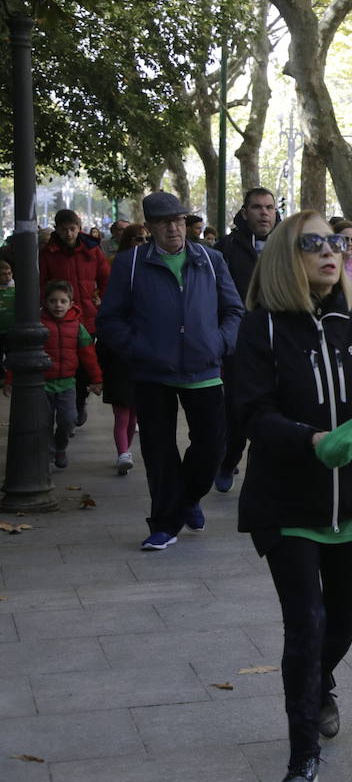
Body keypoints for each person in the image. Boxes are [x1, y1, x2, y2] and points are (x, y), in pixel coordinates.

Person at [235, 211, 352, 782]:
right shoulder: (263, 328)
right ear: (288, 256)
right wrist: (309, 439)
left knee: (346, 621)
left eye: (338, 243)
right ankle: (301, 755)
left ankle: (317, 683)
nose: (331, 253)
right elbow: (251, 412)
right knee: (305, 626)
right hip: (288, 504)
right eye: (314, 244)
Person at [97, 192, 244, 551]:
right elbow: (110, 319)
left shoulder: (211, 260)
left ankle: (188, 498)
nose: (174, 228)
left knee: (211, 448)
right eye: (164, 223)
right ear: (149, 228)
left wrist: (219, 343)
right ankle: (164, 524)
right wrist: (139, 349)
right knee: (159, 451)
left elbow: (234, 311)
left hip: (204, 369)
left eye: (178, 220)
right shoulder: (130, 263)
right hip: (153, 373)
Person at [215, 188, 281, 492]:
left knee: (276, 410)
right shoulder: (225, 249)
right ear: (245, 212)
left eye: (269, 207)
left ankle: (263, 475)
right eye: (257, 207)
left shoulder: (289, 247)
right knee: (237, 410)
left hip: (281, 343)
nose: (264, 213)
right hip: (239, 345)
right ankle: (228, 460)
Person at [4, 280, 104, 469]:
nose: (58, 305)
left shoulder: (77, 327)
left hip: (67, 384)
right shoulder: (37, 325)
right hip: (42, 384)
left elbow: (88, 356)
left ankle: (60, 447)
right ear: (45, 302)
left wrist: (97, 379)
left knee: (68, 420)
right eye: (52, 301)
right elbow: (19, 354)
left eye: (62, 301)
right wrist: (10, 379)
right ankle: (49, 454)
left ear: (70, 303)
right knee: (43, 423)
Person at [40, 208, 110, 428]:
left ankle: (78, 402)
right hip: (58, 316)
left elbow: (106, 278)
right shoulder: (48, 253)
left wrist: (104, 303)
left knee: (85, 362)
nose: (69, 233)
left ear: (79, 228)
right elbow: (41, 283)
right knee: (63, 361)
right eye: (64, 229)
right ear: (57, 230)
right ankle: (65, 407)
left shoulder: (92, 250)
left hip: (88, 318)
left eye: (72, 229)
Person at [99, 224, 149, 475]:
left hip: (141, 357)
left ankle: (125, 450)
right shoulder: (116, 263)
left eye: (144, 239)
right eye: (137, 239)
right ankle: (123, 452)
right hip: (120, 357)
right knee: (122, 413)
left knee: (134, 414)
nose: (141, 243)